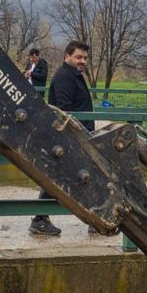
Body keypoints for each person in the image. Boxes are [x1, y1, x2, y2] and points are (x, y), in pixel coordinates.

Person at [30, 40, 93, 237]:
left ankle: (42, 219)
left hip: (77, 136)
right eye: (78, 57)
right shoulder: (65, 77)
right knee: (61, 175)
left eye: (85, 58)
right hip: (70, 137)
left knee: (73, 175)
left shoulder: (74, 76)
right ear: (67, 56)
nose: (82, 61)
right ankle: (40, 219)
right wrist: (78, 135)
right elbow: (65, 110)